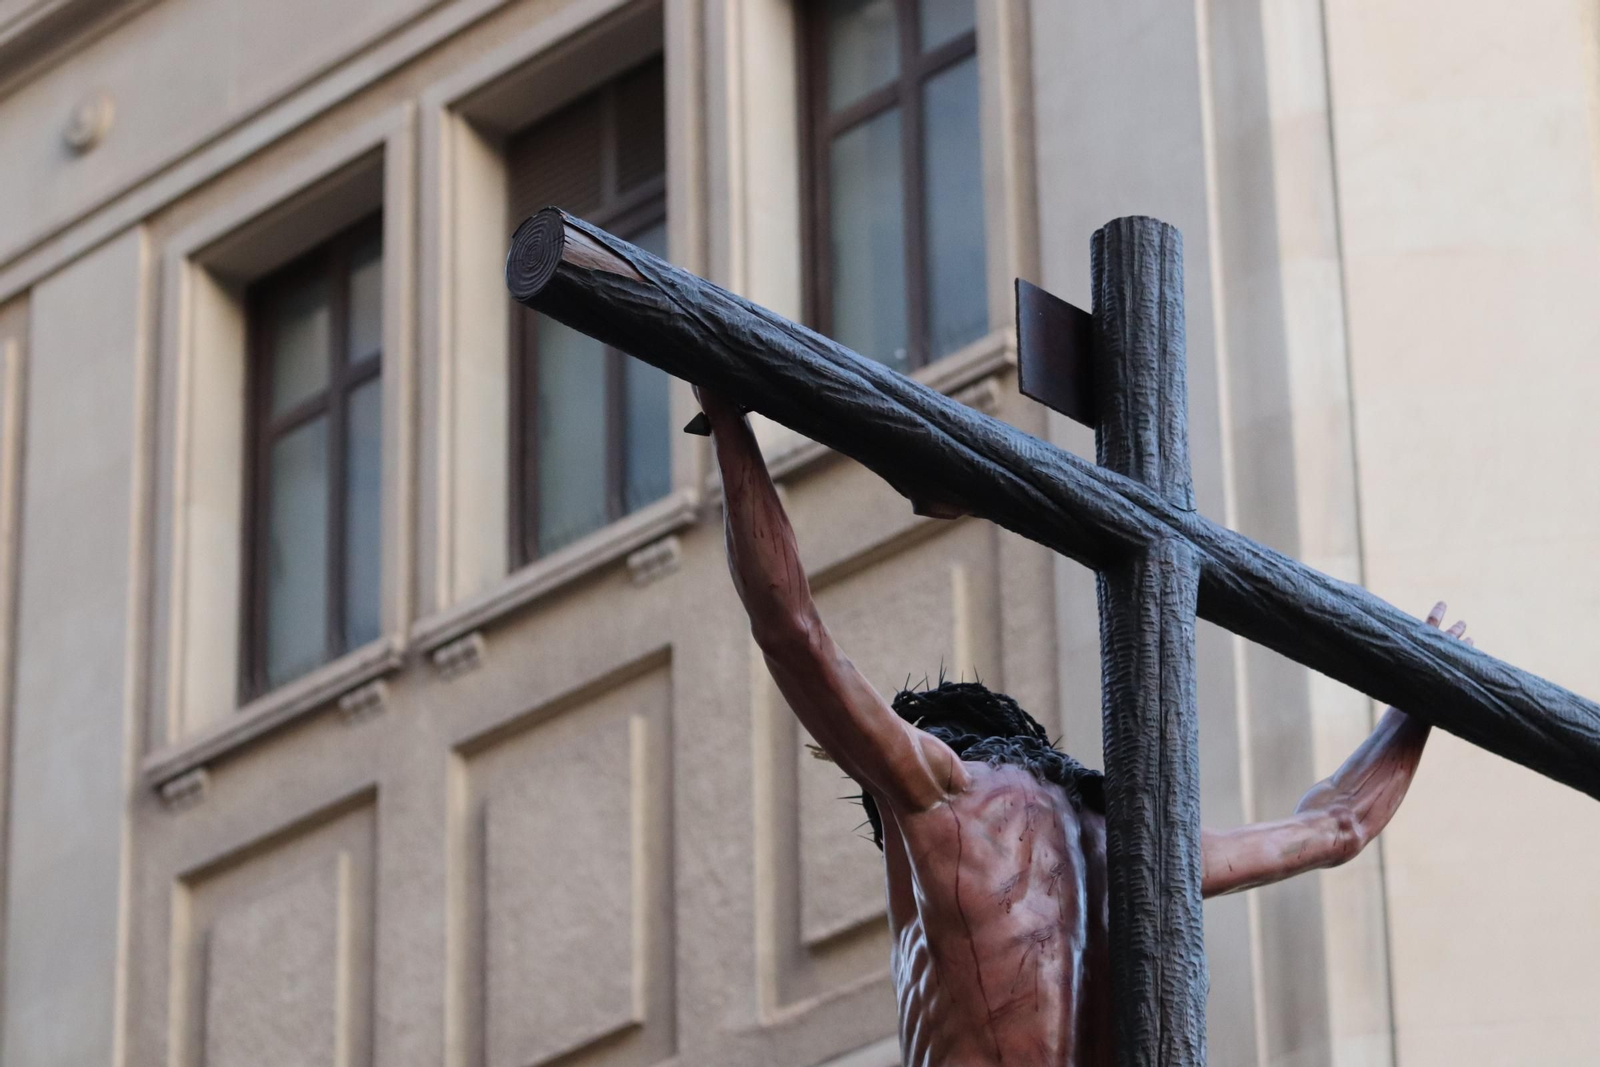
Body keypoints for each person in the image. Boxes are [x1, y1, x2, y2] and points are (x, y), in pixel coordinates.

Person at [694, 385, 1469, 1067]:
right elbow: (1339, 824)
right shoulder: (1132, 845)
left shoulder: (934, 795)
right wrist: (1422, 698)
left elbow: (792, 628)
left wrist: (727, 413)